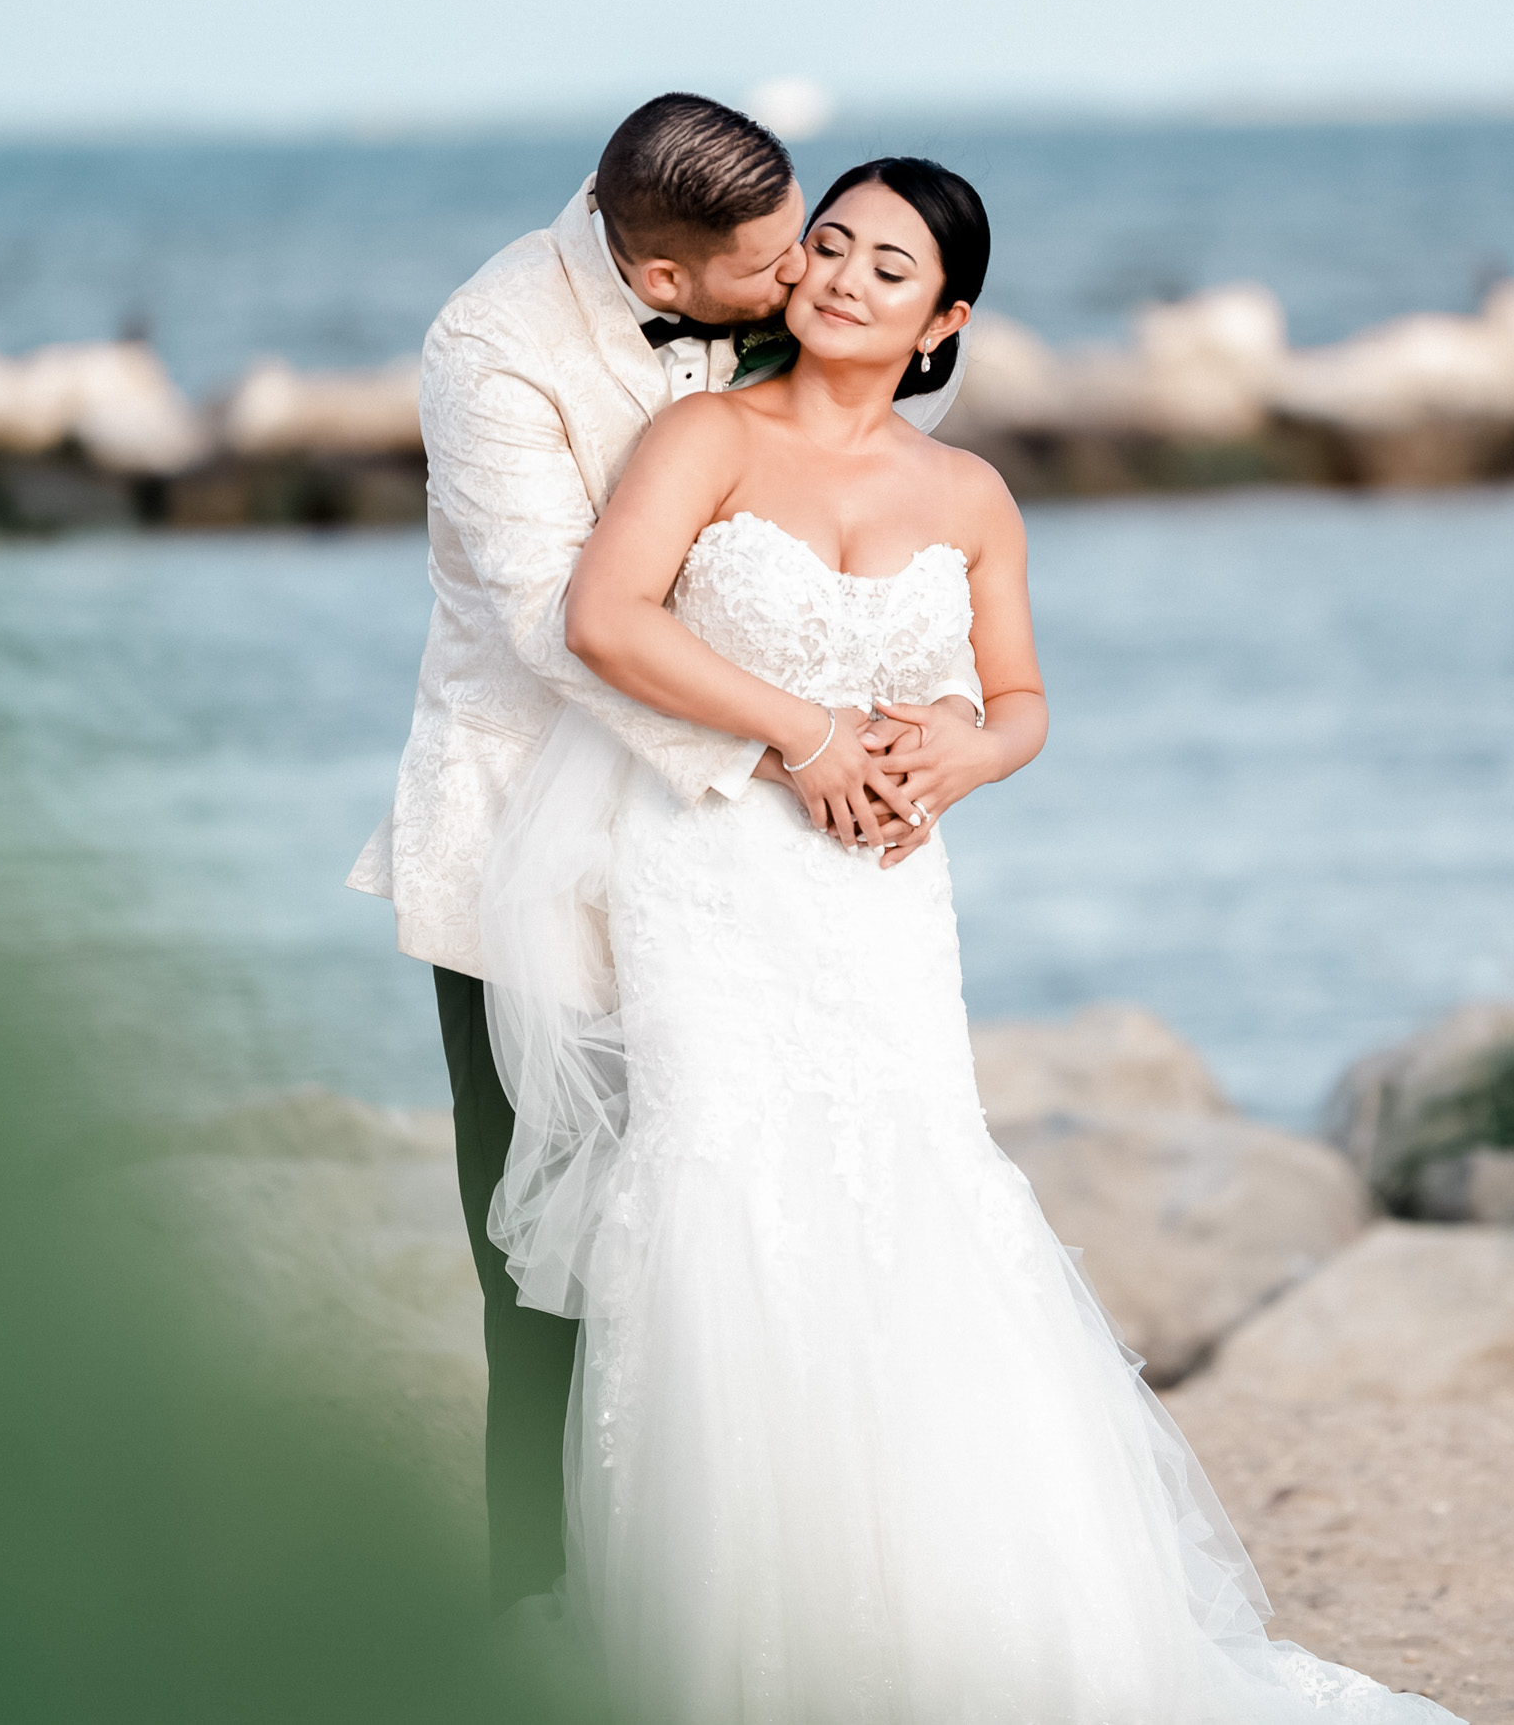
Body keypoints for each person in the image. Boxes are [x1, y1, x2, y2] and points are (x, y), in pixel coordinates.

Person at [486, 156, 1458, 1720]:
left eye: (891, 267)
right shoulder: (704, 437)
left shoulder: (970, 496)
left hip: (880, 901)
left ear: (945, 319)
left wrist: (957, 753)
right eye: (833, 245)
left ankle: (955, 1620)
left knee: (916, 1188)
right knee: (727, 1194)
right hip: (717, 871)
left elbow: (1023, 704)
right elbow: (608, 618)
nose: (846, 276)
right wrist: (805, 737)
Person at [346, 97, 986, 1610]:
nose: (808, 281)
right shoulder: (492, 347)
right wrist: (800, 744)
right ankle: (541, 1629)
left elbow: (870, 502)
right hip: (532, 848)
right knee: (551, 1271)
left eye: (821, 242)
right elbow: (551, 622)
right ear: (667, 281)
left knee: (767, 1225)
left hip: (763, 868)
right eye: (778, 263)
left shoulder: (790, 290)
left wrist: (931, 715)